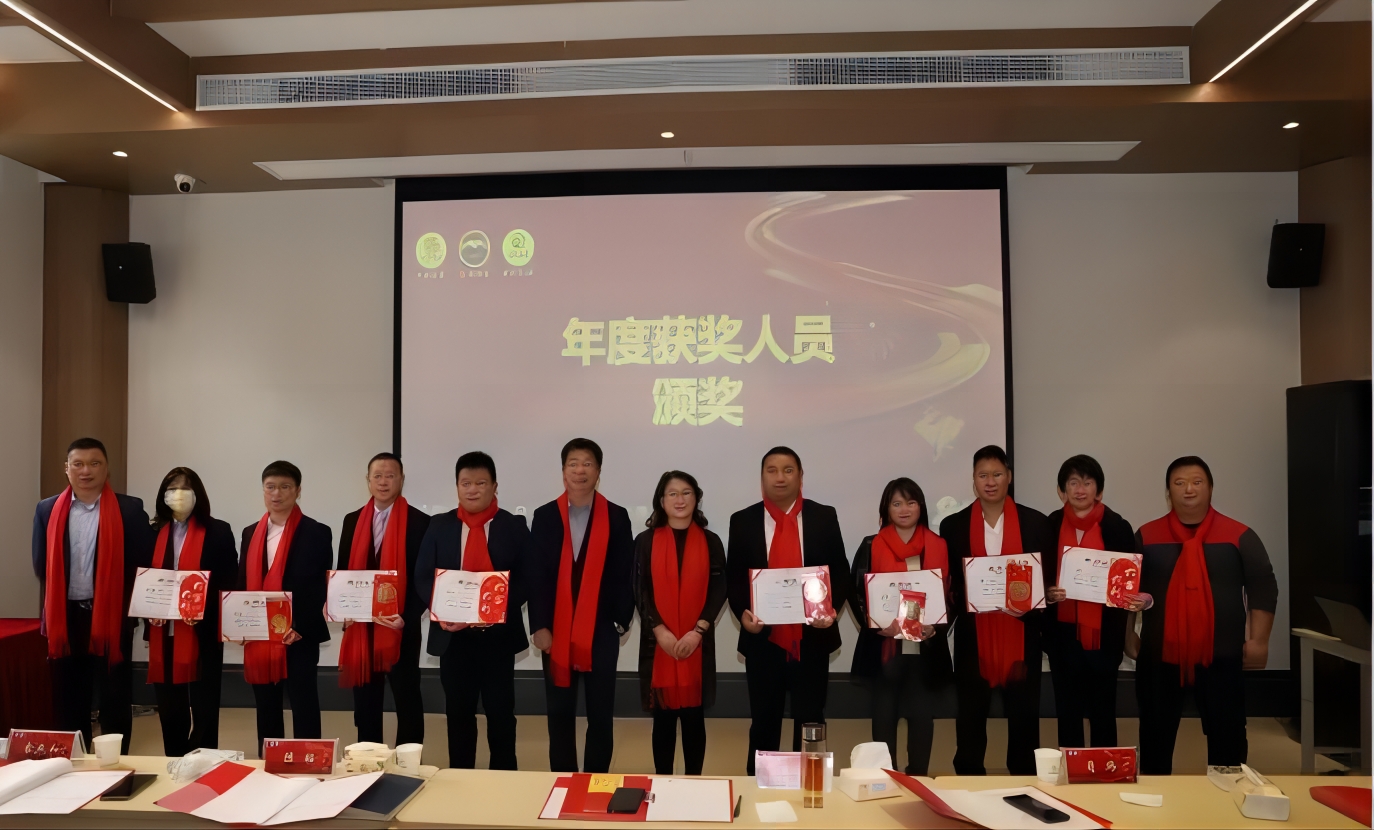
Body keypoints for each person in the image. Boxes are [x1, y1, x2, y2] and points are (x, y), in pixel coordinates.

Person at [1130, 456, 1278, 774]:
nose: (1189, 489)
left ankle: (1227, 797)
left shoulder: (1239, 535)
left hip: (1221, 656)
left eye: (1197, 482)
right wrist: (1127, 634)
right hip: (1160, 656)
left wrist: (1259, 641)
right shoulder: (1146, 535)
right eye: (1179, 483)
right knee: (1155, 736)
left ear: (1210, 488)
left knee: (1228, 739)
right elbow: (1127, 588)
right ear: (1168, 491)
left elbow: (1263, 586)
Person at [727, 446, 850, 775]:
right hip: (762, 639)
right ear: (762, 477)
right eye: (772, 470)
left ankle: (810, 785)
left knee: (811, 720)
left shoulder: (823, 516)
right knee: (763, 721)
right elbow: (735, 579)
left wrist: (831, 610)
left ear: (800, 476)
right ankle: (759, 787)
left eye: (788, 470)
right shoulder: (743, 520)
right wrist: (743, 615)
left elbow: (840, 572)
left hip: (812, 639)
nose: (779, 477)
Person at [31, 437, 152, 755]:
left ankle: (115, 764)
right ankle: (75, 762)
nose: (86, 471)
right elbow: (40, 563)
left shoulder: (130, 509)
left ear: (106, 468)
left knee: (115, 695)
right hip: (66, 616)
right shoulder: (47, 509)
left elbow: (143, 563)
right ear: (67, 468)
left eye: (94, 463)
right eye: (78, 464)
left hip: (112, 615)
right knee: (69, 696)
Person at [415, 451, 531, 769]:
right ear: (457, 486)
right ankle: (461, 777)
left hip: (497, 638)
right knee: (458, 715)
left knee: (501, 714)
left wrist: (492, 608)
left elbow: (526, 578)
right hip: (454, 639)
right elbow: (423, 576)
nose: (473, 490)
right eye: (465, 483)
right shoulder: (439, 525)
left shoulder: (513, 526)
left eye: (481, 483)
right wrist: (442, 610)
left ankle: (504, 778)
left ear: (494, 486)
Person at [528, 438, 635, 773]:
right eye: (573, 463)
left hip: (601, 630)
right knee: (559, 712)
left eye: (587, 463)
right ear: (563, 471)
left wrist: (620, 621)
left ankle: (595, 780)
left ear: (598, 471)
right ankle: (563, 778)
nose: (580, 470)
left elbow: (625, 572)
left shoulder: (617, 516)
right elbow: (537, 575)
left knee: (600, 714)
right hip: (556, 629)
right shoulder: (545, 516)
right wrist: (539, 625)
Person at [942, 444, 1049, 776]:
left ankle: (1024, 784)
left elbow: (1045, 580)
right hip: (974, 637)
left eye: (997, 474)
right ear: (973, 480)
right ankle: (970, 782)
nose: (990, 482)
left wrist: (1037, 600)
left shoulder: (1036, 523)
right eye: (983, 475)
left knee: (1024, 720)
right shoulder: (953, 526)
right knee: (970, 719)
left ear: (1009, 477)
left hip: (1022, 634)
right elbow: (951, 585)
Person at [849, 478, 952, 775]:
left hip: (924, 651)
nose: (904, 509)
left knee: (922, 720)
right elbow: (855, 592)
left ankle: (918, 780)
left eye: (910, 502)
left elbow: (951, 594)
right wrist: (875, 625)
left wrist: (936, 626)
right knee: (883, 721)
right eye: (896, 503)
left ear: (921, 507)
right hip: (884, 651)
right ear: (886, 509)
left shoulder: (939, 545)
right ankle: (886, 780)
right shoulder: (871, 545)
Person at [1043, 455, 1141, 750]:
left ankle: (1104, 768)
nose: (1080, 489)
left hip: (1104, 636)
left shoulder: (1117, 526)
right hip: (1063, 636)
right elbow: (1041, 575)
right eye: (1073, 482)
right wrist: (1049, 591)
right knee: (1067, 712)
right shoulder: (1050, 525)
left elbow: (1127, 581)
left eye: (1087, 482)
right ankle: (1070, 766)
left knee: (1103, 711)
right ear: (1062, 490)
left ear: (1099, 489)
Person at [633, 471, 727, 775]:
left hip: (697, 641)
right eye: (672, 493)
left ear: (696, 498)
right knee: (662, 718)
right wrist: (659, 630)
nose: (680, 499)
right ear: (661, 501)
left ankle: (693, 782)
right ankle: (663, 782)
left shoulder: (711, 542)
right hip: (658, 643)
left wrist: (697, 631)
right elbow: (640, 589)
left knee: (694, 717)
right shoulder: (645, 541)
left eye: (686, 492)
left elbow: (719, 590)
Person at [337, 452, 431, 748]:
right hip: (362, 628)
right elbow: (342, 572)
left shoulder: (420, 522)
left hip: (400, 626)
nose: (383, 482)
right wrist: (341, 607)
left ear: (401, 480)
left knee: (407, 697)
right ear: (368, 480)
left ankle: (408, 758)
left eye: (390, 476)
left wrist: (407, 616)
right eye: (377, 476)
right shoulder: (352, 520)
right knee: (365, 699)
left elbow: (424, 576)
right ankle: (368, 757)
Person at [237, 460, 333, 751]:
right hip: (260, 635)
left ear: (298, 491)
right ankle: (270, 761)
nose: (276, 494)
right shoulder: (250, 532)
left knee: (304, 703)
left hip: (298, 634)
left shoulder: (317, 532)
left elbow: (320, 586)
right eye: (270, 487)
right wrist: (238, 624)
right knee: (266, 705)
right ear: (263, 490)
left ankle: (309, 762)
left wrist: (298, 626)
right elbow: (242, 583)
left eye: (285, 487)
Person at [144, 467, 238, 756]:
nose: (178, 494)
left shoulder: (218, 531)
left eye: (185, 488)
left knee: (205, 703)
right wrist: (148, 608)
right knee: (169, 704)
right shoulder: (151, 531)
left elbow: (229, 581)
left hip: (202, 631)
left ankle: (203, 760)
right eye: (172, 488)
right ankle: (174, 759)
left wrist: (200, 609)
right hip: (162, 630)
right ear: (163, 494)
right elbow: (142, 578)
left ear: (198, 494)